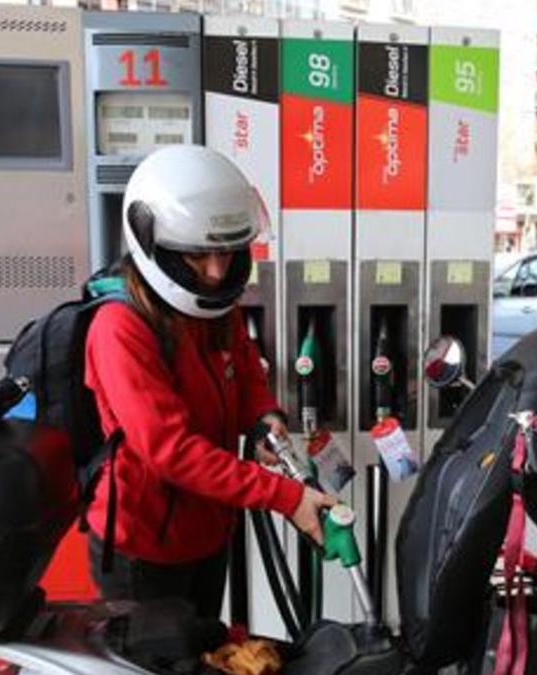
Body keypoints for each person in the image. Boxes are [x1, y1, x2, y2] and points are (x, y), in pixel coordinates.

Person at [83, 145, 335, 619]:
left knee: (204, 657)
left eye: (227, 251)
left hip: (207, 532)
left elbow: (244, 373)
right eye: (198, 255)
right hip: (143, 550)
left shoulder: (216, 308)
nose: (217, 272)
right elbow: (169, 450)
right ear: (151, 241)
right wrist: (285, 496)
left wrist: (265, 419)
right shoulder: (121, 328)